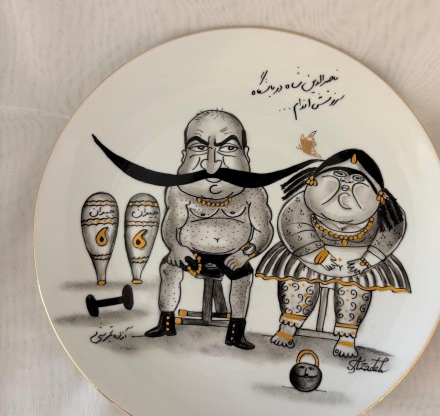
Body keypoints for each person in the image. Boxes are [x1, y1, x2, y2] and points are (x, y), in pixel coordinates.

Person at [256, 149, 411, 357]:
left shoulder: (387, 212)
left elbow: (390, 234)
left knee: (355, 290)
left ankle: (347, 336)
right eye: (338, 175)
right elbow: (293, 226)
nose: (346, 185)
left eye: (358, 179)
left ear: (379, 195)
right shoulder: (300, 203)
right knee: (298, 282)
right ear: (313, 181)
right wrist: (317, 255)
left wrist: (368, 260)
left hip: (358, 259)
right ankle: (288, 327)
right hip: (308, 255)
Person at [144, 110, 273, 350]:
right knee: (169, 269)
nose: (212, 164)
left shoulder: (253, 192)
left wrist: (246, 253)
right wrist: (176, 247)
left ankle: (236, 330)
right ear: (184, 155)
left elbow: (263, 231)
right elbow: (171, 225)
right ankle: (166, 321)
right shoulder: (178, 190)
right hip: (191, 254)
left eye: (228, 148)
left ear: (245, 155)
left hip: (234, 255)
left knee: (243, 278)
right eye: (199, 147)